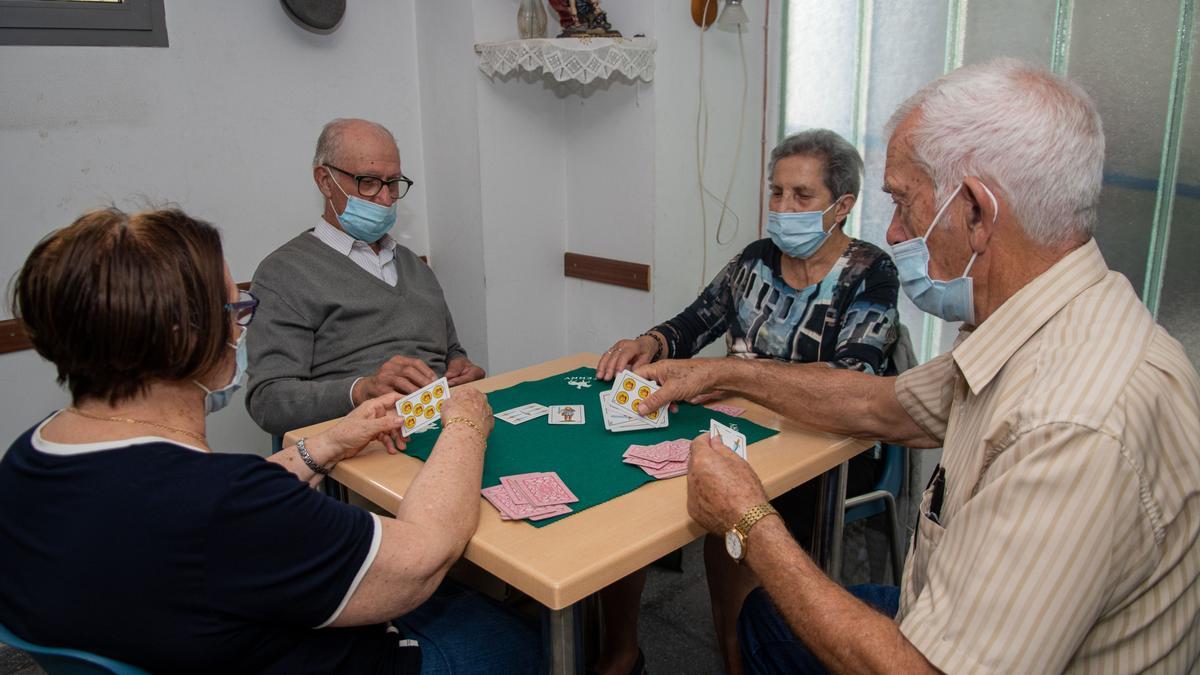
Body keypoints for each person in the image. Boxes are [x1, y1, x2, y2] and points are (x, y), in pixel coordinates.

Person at [634, 59, 1200, 673]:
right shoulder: (1043, 329)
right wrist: (720, 372)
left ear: (979, 213)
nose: (895, 231)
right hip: (953, 600)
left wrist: (747, 517)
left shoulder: (1070, 425)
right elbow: (879, 404)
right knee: (763, 620)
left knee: (773, 610)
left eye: (904, 203)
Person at [0, 208, 540, 673]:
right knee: (521, 640)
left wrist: (324, 444)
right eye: (235, 313)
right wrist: (467, 421)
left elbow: (194, 508)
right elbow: (421, 560)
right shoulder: (223, 503)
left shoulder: (31, 451)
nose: (241, 332)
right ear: (184, 339)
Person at [594, 129, 900, 675]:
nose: (783, 209)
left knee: (733, 522)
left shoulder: (869, 272)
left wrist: (736, 378)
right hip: (737, 430)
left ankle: (740, 662)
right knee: (627, 499)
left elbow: (854, 380)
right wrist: (650, 342)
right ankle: (621, 652)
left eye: (801, 196)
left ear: (842, 206)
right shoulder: (754, 260)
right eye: (776, 193)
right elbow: (695, 322)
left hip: (826, 449)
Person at [245, 118, 485, 437]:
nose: (385, 199)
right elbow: (268, 401)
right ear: (325, 181)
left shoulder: (415, 267)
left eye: (393, 183)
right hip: (359, 452)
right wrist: (360, 391)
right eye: (369, 182)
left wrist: (460, 368)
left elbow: (452, 350)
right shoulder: (284, 274)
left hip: (445, 429)